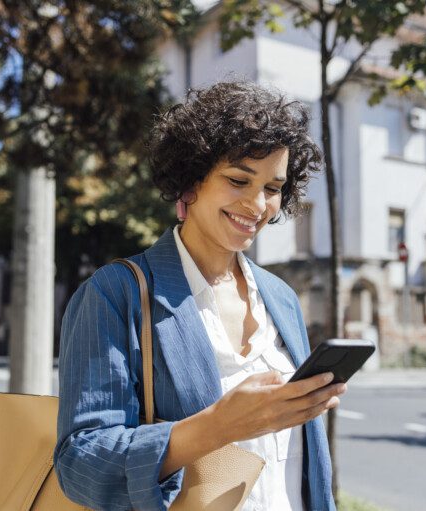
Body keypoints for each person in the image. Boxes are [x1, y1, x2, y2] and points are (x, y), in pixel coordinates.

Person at [54, 81, 345, 511]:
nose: (258, 203)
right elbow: (80, 463)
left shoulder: (281, 298)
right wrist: (217, 426)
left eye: (272, 187)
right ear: (191, 183)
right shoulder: (115, 294)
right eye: (238, 179)